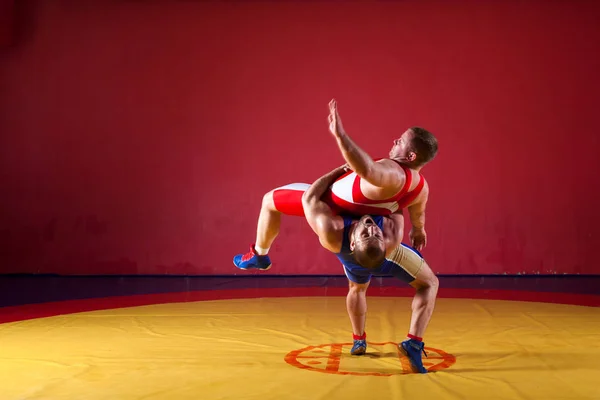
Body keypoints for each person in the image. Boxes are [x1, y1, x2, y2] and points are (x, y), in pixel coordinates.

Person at [233, 99, 438, 270]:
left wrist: (341, 136)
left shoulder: (394, 173)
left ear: (411, 156)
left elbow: (366, 169)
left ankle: (259, 255)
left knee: (269, 201)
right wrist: (418, 231)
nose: (395, 141)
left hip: (331, 203)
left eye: (400, 142)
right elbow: (417, 214)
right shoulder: (421, 187)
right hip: (363, 221)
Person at [300, 164, 439, 374]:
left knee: (357, 288)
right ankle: (406, 342)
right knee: (430, 284)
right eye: (369, 233)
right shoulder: (388, 234)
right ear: (354, 243)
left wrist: (339, 172)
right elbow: (399, 199)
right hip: (384, 254)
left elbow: (309, 199)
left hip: (373, 257)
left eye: (372, 232)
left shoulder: (333, 233)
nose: (372, 227)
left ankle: (364, 341)